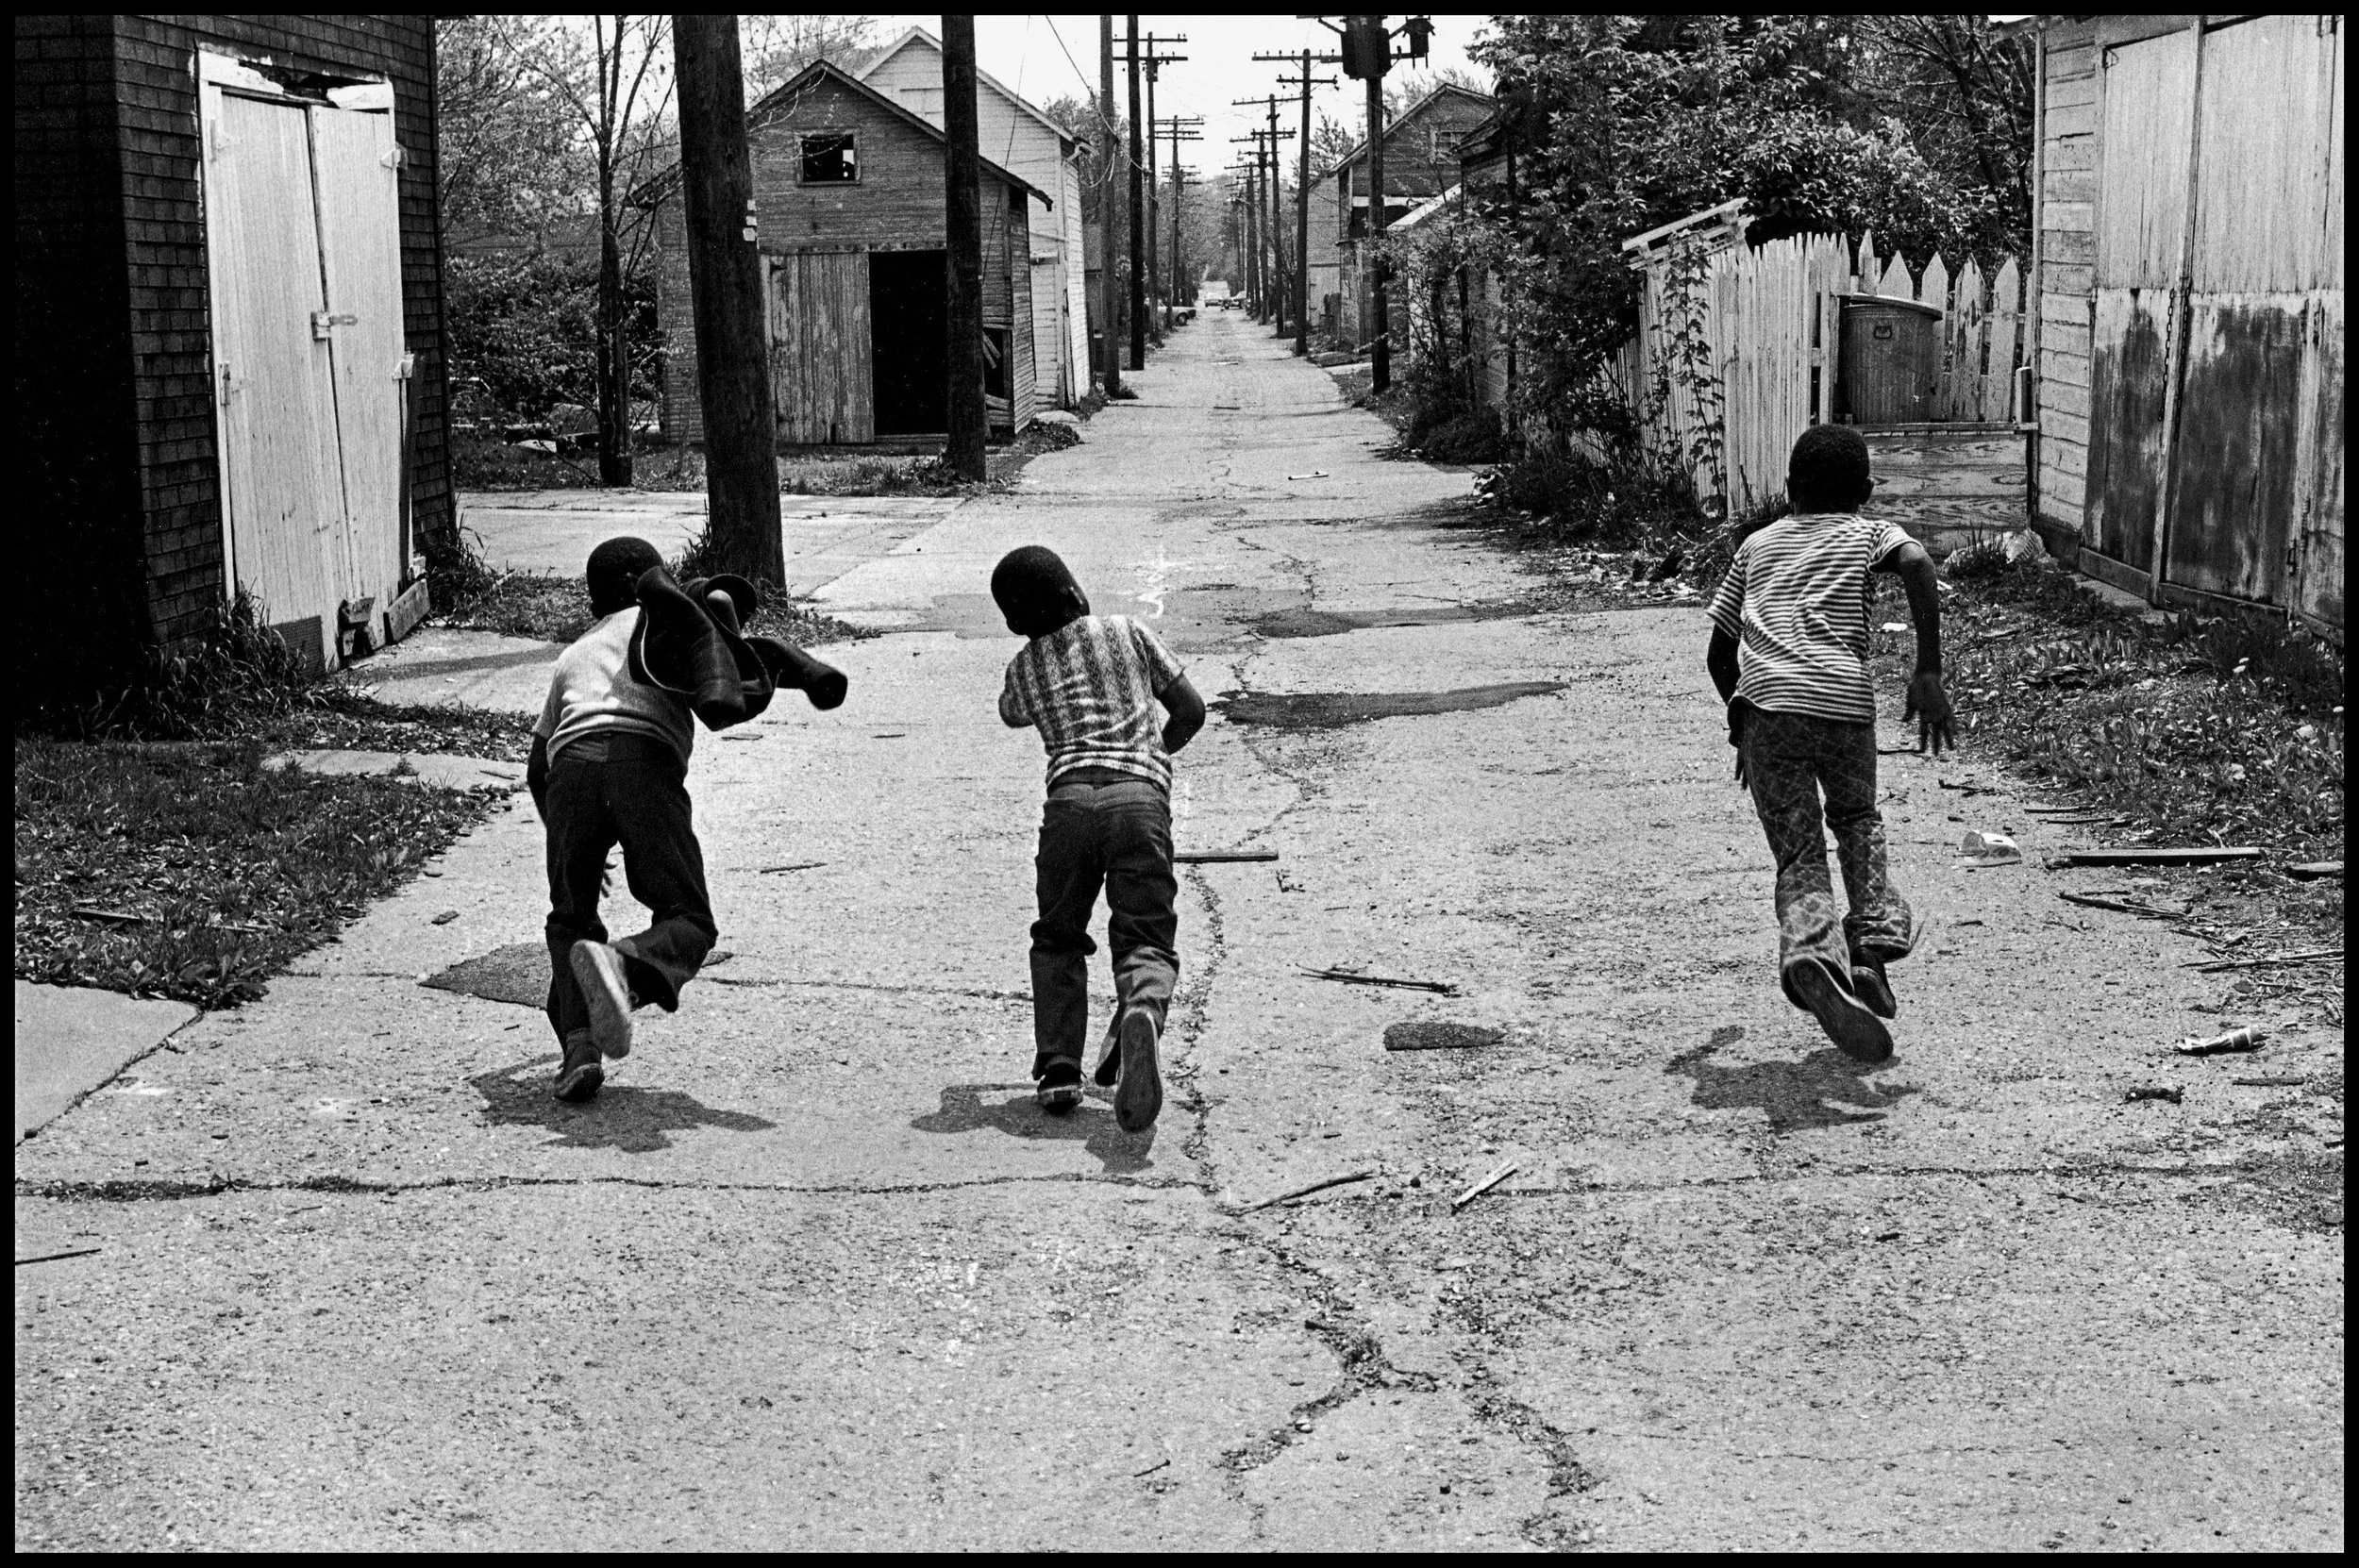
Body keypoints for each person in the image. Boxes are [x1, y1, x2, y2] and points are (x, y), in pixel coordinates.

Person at [1705, 425, 1955, 1063]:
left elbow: (1718, 651)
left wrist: (1744, 720)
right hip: (1845, 704)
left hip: (1768, 706)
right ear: (1867, 491)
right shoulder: (1869, 533)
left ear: (1788, 490)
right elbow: (1919, 562)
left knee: (1799, 849)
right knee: (1857, 820)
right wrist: (1927, 670)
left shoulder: (1757, 544)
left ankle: (1814, 951)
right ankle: (1870, 943)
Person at [993, 546, 1206, 1130]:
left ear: (1015, 624)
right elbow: (1191, 709)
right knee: (1144, 931)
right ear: (1076, 597)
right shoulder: (1126, 632)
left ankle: (1060, 1067)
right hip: (1138, 802)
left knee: (1058, 935)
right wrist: (1153, 760)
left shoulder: (1024, 668)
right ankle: (1139, 1008)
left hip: (1067, 807)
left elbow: (1011, 713)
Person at [526, 537, 717, 1101]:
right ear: (655, 579)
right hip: (643, 763)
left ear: (592, 603)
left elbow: (538, 766)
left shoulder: (573, 655)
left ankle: (579, 1050)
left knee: (570, 920)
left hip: (572, 773)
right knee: (688, 918)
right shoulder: (668, 627)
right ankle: (625, 968)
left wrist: (566, 837)